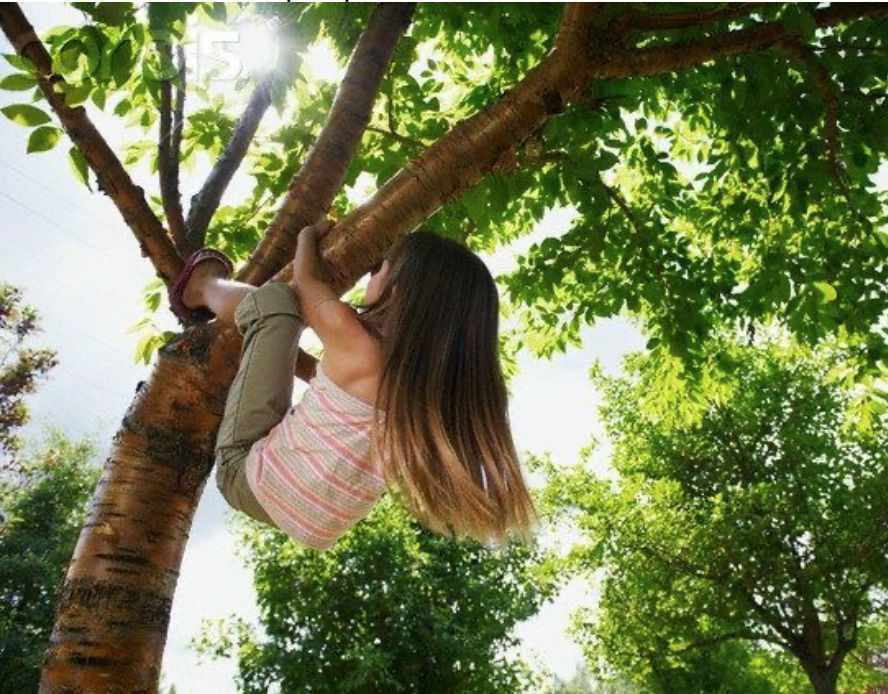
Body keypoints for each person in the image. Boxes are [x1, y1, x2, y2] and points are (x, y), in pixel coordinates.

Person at [169, 221, 537, 550]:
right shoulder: (429, 393)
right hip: (315, 519)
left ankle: (201, 287)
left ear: (398, 290)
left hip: (245, 472)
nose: (369, 277)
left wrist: (306, 236)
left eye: (380, 269)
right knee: (303, 360)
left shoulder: (356, 341)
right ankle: (245, 329)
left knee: (275, 305)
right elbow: (339, 400)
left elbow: (305, 284)